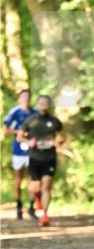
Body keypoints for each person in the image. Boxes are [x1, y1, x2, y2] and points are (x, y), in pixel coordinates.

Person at [21, 94, 65, 228]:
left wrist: (57, 142)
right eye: (41, 103)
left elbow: (63, 136)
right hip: (34, 157)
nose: (44, 105)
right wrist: (29, 142)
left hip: (49, 157)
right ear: (37, 104)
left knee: (47, 185)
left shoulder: (54, 121)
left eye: (46, 103)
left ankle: (44, 215)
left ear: (49, 105)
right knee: (35, 187)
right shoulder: (30, 121)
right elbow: (19, 138)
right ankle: (37, 199)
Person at [2, 88, 38, 220]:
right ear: (19, 98)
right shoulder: (14, 112)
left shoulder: (35, 113)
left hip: (33, 150)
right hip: (18, 149)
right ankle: (18, 205)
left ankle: (32, 207)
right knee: (18, 178)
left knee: (33, 178)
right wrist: (19, 132)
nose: (26, 99)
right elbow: (5, 130)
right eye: (23, 96)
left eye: (28, 96)